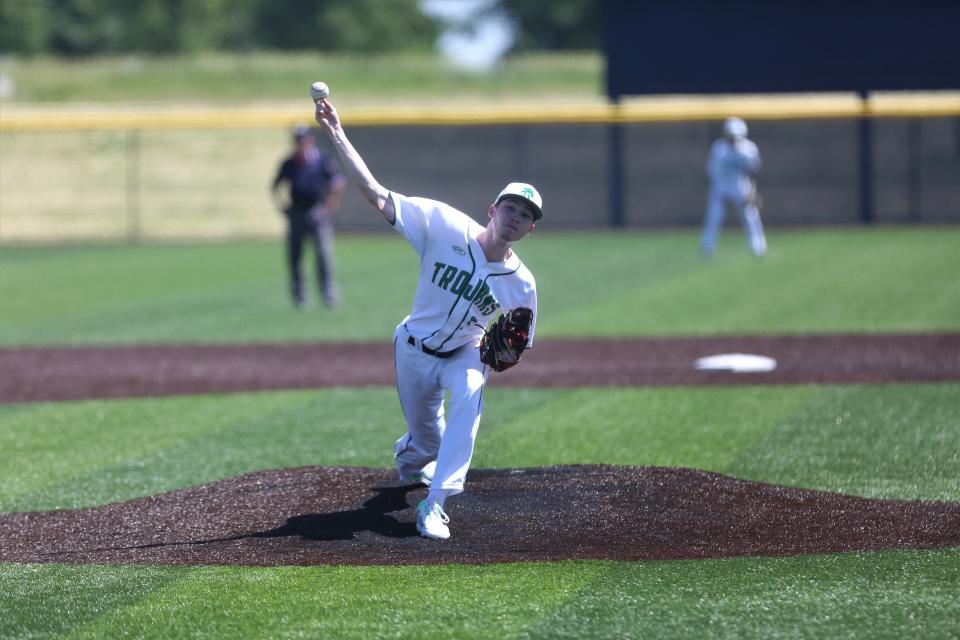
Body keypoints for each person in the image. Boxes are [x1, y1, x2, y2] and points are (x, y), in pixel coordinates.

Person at [314, 96, 540, 541]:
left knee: (471, 394)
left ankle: (435, 504)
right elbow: (377, 194)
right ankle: (415, 457)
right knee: (423, 445)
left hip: (465, 354)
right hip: (413, 348)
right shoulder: (441, 223)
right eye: (511, 208)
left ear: (531, 229)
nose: (516, 218)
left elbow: (516, 344)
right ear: (493, 211)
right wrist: (336, 133)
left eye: (526, 215)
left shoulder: (523, 284)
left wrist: (501, 355)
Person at [271, 124, 347, 309]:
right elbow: (276, 186)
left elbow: (337, 183)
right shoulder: (289, 163)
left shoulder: (321, 160)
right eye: (297, 140)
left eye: (302, 140)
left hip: (317, 211)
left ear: (310, 140)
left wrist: (328, 207)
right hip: (297, 212)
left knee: (323, 256)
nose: (299, 143)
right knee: (295, 257)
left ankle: (328, 294)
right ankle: (300, 296)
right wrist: (283, 208)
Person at [700, 116, 767, 257]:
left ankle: (758, 248)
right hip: (721, 186)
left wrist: (752, 190)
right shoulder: (719, 148)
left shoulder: (749, 148)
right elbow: (711, 170)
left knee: (751, 216)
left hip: (741, 186)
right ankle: (707, 248)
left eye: (736, 137)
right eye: (731, 137)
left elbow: (755, 169)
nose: (733, 140)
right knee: (715, 216)